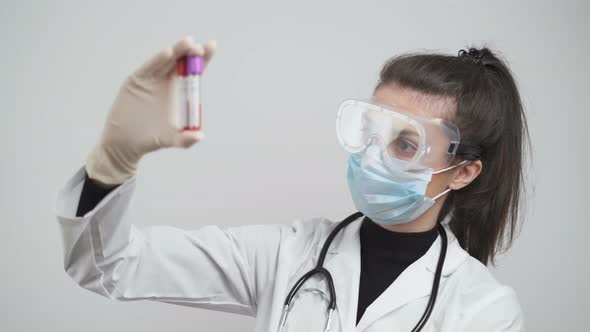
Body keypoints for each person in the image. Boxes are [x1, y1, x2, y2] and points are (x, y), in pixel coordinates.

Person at [55, 36, 528, 331]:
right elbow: (109, 266)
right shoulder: (287, 255)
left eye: (404, 144)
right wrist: (112, 163)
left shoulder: (483, 311)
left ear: (464, 170)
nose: (372, 156)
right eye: (370, 132)